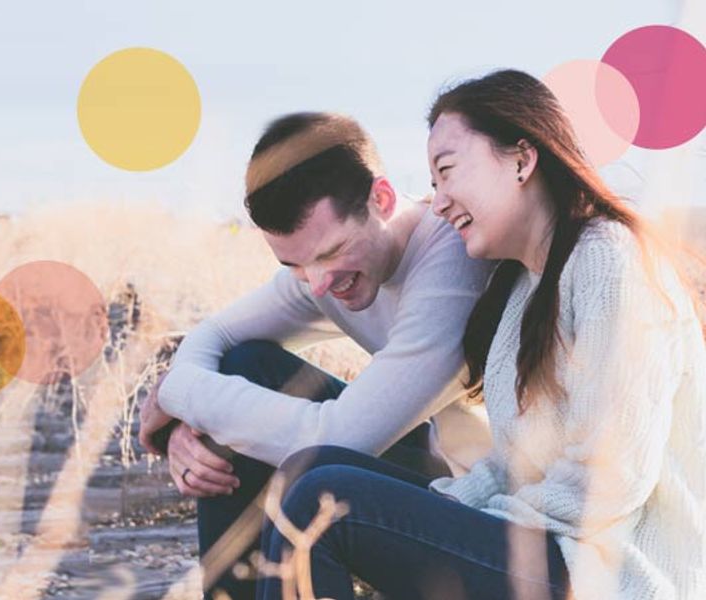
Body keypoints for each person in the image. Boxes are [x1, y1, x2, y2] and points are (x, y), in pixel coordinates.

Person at [257, 69, 706, 600]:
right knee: (309, 466)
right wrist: (450, 512)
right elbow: (515, 463)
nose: (440, 202)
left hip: (608, 574)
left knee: (323, 504)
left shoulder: (611, 260)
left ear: (522, 158)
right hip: (549, 550)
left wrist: (479, 522)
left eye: (447, 171)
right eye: (432, 184)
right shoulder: (526, 288)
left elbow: (611, 479)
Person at [136, 112, 495, 598]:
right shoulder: (321, 272)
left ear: (382, 199)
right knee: (245, 364)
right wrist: (188, 423)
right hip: (437, 470)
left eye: (331, 252)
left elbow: (340, 437)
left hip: (492, 513)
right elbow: (215, 334)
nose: (318, 283)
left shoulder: (452, 262)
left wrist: (181, 395)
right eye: (294, 264)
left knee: (307, 473)